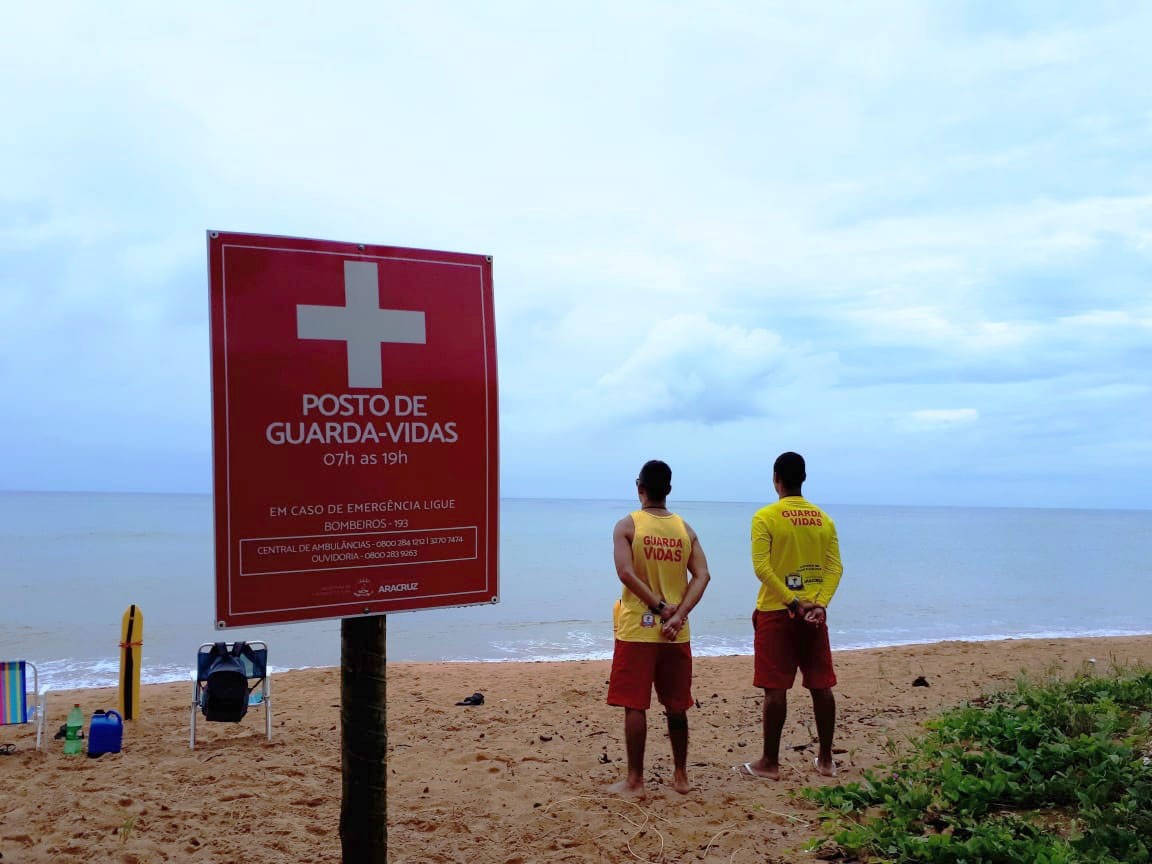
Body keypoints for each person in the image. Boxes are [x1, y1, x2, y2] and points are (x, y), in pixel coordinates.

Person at [606, 459, 712, 796]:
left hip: (637, 628)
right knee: (676, 704)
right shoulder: (685, 529)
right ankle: (680, 777)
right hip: (674, 632)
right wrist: (678, 615)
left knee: (635, 704)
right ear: (668, 489)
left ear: (640, 488)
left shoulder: (627, 525)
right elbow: (703, 575)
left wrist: (660, 607)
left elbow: (626, 572)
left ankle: (635, 780)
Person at [741, 451, 843, 780]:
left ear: (776, 480)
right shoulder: (823, 519)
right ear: (803, 479)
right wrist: (819, 604)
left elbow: (762, 568)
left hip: (776, 612)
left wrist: (791, 602)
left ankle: (770, 762)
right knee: (820, 685)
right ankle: (826, 759)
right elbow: (834, 568)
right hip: (814, 614)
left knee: (775, 688)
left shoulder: (765, 517)